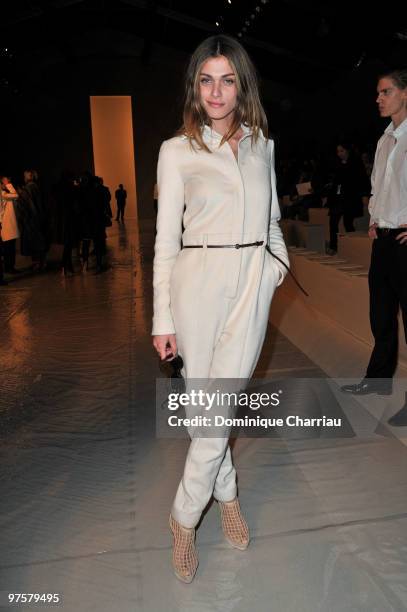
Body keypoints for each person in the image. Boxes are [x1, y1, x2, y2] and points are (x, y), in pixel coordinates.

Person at [151, 35, 289, 583]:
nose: (216, 90)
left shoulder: (262, 145)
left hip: (252, 285)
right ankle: (226, 496)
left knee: (218, 409)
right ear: (194, 85)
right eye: (206, 79)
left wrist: (274, 270)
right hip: (196, 286)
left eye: (227, 79)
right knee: (206, 414)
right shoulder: (176, 149)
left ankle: (183, 519)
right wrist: (163, 319)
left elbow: (274, 219)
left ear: (241, 85)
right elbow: (165, 242)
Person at [341, 68, 407, 426]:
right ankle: (379, 381)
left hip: (405, 240)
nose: (378, 98)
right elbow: (379, 186)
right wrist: (374, 217)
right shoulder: (385, 139)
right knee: (380, 316)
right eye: (378, 93)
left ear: (405, 93)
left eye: (386, 91)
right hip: (383, 239)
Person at [326, 142, 370, 254]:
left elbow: (363, 180)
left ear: (347, 151)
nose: (339, 154)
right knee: (333, 221)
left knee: (348, 223)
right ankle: (333, 246)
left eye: (342, 151)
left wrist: (365, 195)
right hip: (338, 198)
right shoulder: (337, 164)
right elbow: (335, 182)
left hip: (351, 198)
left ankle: (353, 247)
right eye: (338, 151)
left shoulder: (356, 163)